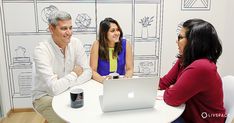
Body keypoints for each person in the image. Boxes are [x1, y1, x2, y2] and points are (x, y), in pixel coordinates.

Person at [159, 19, 226, 123]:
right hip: (188, 116)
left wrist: (173, 88)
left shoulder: (202, 67)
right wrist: (172, 88)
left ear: (194, 41)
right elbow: (164, 83)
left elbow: (172, 98)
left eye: (180, 37)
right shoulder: (184, 60)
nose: (177, 41)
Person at [32, 11, 92, 123]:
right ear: (51, 29)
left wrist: (64, 84)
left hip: (67, 93)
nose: (69, 32)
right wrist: (74, 74)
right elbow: (53, 90)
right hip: (44, 97)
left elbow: (88, 72)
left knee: (89, 114)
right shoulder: (41, 51)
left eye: (70, 27)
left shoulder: (76, 43)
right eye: (64, 28)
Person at [90, 17, 133, 83]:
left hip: (120, 82)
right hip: (102, 83)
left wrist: (125, 80)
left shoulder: (126, 44)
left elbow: (130, 69)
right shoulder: (97, 44)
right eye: (112, 31)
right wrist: (105, 81)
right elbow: (92, 71)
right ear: (104, 33)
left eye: (117, 30)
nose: (117, 33)